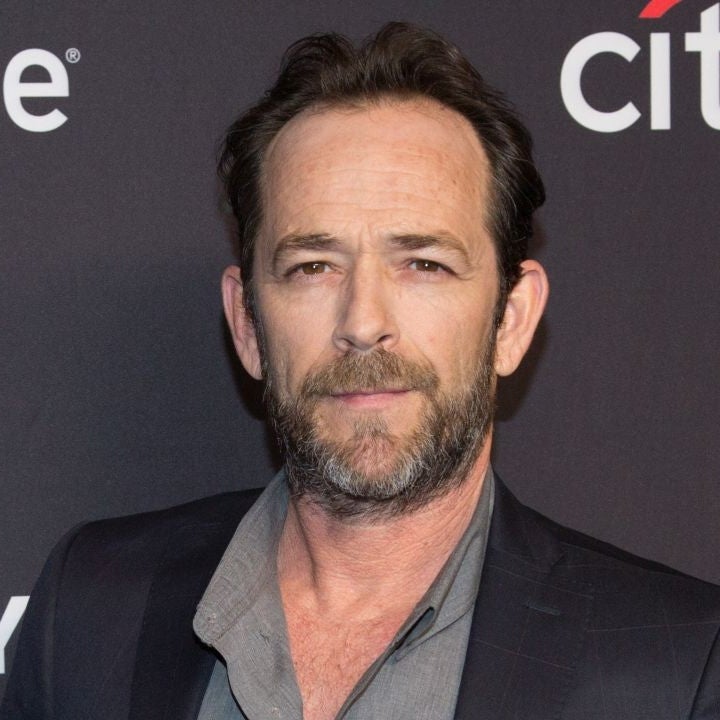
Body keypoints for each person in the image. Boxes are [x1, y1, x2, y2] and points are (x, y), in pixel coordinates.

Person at [2, 22, 719, 720]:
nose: (363, 321)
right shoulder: (89, 608)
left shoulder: (678, 666)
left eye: (424, 264)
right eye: (313, 266)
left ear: (512, 320)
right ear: (247, 324)